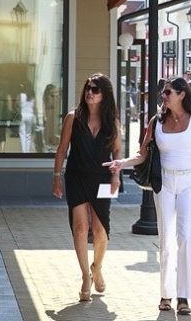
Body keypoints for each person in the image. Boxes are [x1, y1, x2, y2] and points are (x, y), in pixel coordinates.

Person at [104, 77, 191, 315]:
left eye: (168, 92)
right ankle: (166, 294)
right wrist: (121, 163)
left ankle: (183, 296)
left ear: (181, 94)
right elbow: (142, 154)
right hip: (164, 183)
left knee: (185, 237)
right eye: (163, 93)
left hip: (188, 182)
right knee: (166, 239)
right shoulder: (156, 121)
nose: (163, 96)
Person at [51, 73, 121, 302]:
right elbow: (62, 149)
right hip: (76, 177)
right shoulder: (73, 117)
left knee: (101, 231)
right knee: (80, 227)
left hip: (103, 178)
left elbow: (117, 151)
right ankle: (84, 277)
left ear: (104, 94)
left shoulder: (112, 121)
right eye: (87, 88)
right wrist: (56, 176)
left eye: (95, 89)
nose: (89, 92)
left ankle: (96, 268)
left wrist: (116, 176)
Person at [18, 81, 37, 153]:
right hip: (30, 115)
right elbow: (35, 107)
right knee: (28, 134)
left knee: (22, 134)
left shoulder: (21, 95)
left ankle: (24, 151)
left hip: (23, 115)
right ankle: (27, 151)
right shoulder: (32, 96)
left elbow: (18, 104)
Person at [43, 84, 61, 150]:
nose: (55, 92)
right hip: (48, 112)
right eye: (54, 91)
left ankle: (52, 141)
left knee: (53, 127)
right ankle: (47, 142)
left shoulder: (55, 96)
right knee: (48, 128)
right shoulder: (47, 97)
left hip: (54, 112)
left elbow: (56, 103)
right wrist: (44, 115)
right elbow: (44, 106)